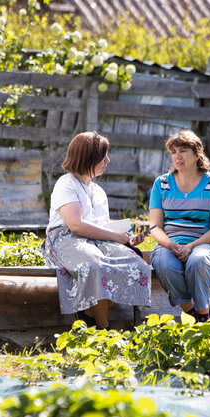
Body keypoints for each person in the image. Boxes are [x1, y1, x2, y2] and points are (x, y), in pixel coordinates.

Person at [41, 131, 151, 329]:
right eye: (103, 156)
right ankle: (103, 327)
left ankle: (89, 311)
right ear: (87, 157)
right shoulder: (66, 184)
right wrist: (114, 236)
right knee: (96, 265)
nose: (108, 160)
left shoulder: (98, 191)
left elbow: (102, 226)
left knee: (139, 266)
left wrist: (125, 239)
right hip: (67, 238)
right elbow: (75, 224)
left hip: (98, 240)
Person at [148, 130, 210, 322]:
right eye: (174, 152)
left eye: (183, 151)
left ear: (197, 154)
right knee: (165, 264)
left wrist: (190, 247)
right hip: (169, 244)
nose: (177, 156)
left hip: (202, 244)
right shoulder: (162, 184)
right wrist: (171, 246)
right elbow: (155, 227)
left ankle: (202, 314)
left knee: (197, 261)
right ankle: (193, 313)